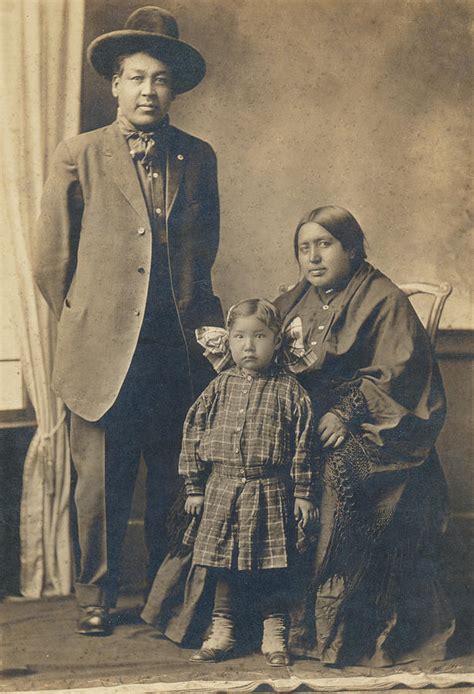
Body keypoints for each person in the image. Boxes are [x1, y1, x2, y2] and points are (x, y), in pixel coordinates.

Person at [32, 6, 222, 635]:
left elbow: (202, 255)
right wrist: (91, 323)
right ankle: (98, 594)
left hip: (175, 349)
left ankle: (166, 596)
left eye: (161, 79)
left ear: (175, 89)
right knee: (102, 487)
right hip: (102, 350)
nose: (148, 90)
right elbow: (50, 264)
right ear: (114, 83)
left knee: (175, 476)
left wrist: (200, 328)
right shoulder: (78, 153)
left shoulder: (198, 158)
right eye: (137, 77)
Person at [273, 205, 454, 666]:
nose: (313, 258)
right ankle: (250, 617)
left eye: (325, 245)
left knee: (337, 477)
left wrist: (346, 413)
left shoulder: (383, 297)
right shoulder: (298, 297)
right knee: (244, 465)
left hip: (382, 426)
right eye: (304, 248)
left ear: (351, 248)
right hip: (309, 420)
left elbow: (399, 373)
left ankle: (333, 635)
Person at [148, 299, 317, 665]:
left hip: (269, 489)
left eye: (259, 336)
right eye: (240, 336)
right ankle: (222, 628)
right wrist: (194, 487)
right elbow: (192, 433)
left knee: (273, 565)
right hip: (222, 489)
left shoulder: (291, 392)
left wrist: (303, 494)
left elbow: (305, 445)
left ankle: (274, 631)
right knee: (223, 564)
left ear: (278, 342)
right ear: (228, 341)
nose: (249, 345)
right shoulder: (218, 387)